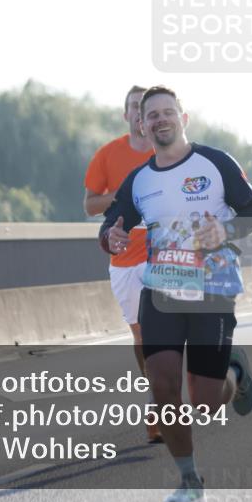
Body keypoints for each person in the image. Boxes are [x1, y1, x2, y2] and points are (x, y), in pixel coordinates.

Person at [99, 86, 252, 502]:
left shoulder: (216, 162)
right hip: (160, 291)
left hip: (212, 289)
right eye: (150, 114)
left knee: (206, 404)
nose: (159, 119)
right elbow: (110, 227)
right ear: (141, 124)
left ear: (183, 118)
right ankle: (190, 480)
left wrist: (225, 232)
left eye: (167, 112)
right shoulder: (139, 180)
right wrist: (112, 238)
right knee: (163, 383)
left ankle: (235, 373)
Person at [83, 85, 159, 442]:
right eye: (132, 107)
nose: (137, 114)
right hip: (123, 260)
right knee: (141, 335)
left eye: (143, 108)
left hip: (161, 256)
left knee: (162, 330)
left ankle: (160, 403)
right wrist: (125, 194)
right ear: (126, 114)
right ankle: (157, 390)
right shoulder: (107, 155)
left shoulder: (169, 152)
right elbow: (90, 205)